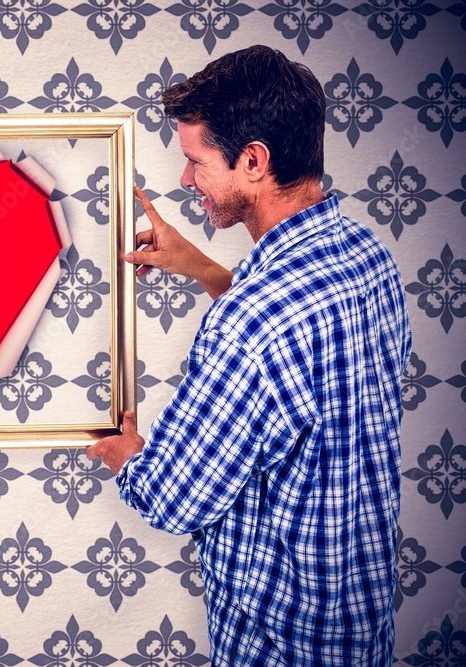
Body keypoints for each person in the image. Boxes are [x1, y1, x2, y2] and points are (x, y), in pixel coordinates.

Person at [86, 45, 410, 665]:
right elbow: (299, 351)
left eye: (195, 161)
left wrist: (127, 455)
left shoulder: (252, 324)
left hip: (280, 642)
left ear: (253, 161)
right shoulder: (367, 257)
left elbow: (172, 496)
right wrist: (205, 269)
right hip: (358, 627)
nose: (185, 180)